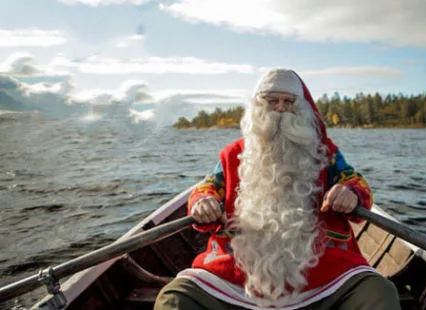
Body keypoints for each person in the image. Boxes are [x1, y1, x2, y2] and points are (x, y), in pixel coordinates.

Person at [155, 69, 400, 309]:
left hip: (322, 275)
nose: (281, 108)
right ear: (259, 107)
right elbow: (206, 189)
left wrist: (350, 193)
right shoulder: (232, 155)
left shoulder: (325, 152)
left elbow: (356, 183)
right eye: (273, 101)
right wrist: (203, 202)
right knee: (175, 299)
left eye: (288, 101)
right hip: (236, 276)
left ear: (301, 108)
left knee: (379, 294)